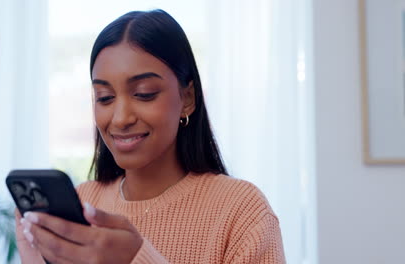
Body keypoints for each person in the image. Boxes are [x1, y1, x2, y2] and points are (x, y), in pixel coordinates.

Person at [15, 9, 286, 264]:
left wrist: (136, 257)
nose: (121, 118)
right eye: (105, 97)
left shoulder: (241, 211)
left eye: (144, 93)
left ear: (187, 98)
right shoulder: (85, 203)